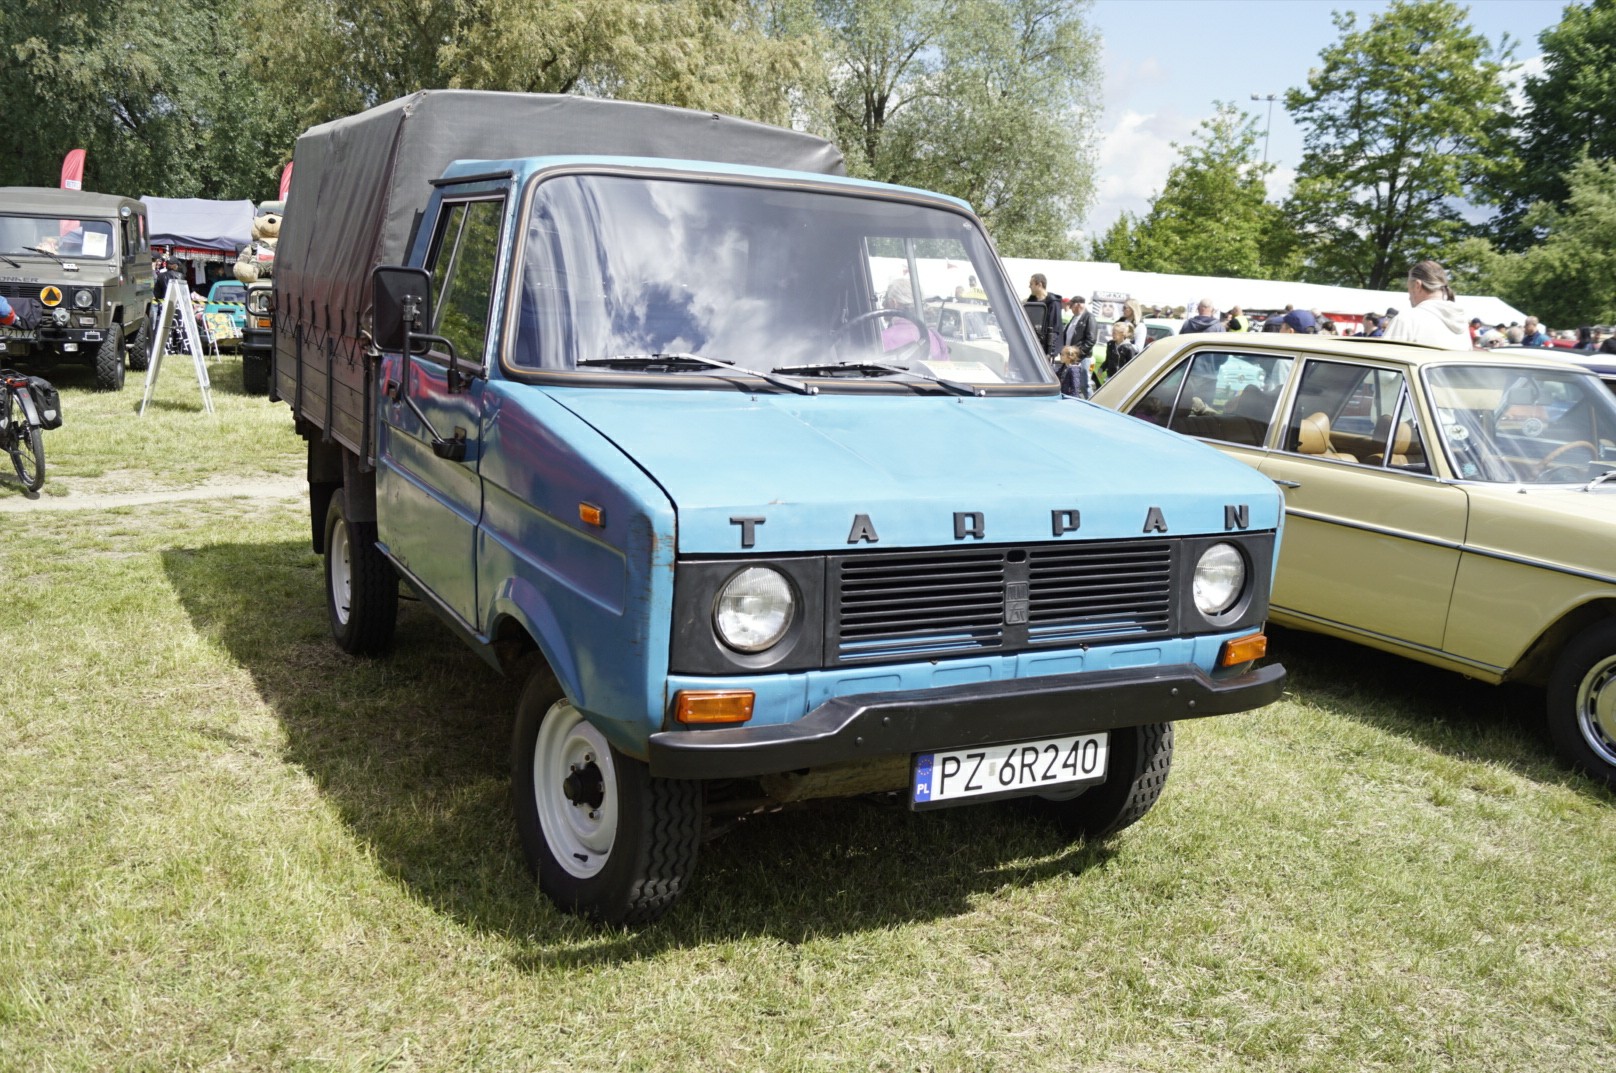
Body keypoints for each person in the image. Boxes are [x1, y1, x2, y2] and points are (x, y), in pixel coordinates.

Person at [1382, 261, 1470, 350]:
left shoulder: (1406, 320)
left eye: (1408, 289)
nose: (1409, 297)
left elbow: (1383, 359)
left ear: (1417, 285)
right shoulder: (1462, 324)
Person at [1061, 295, 1097, 398]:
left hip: (1082, 358)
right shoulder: (1075, 317)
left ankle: (1091, 403)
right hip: (1072, 357)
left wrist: (1077, 354)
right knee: (1073, 384)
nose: (1070, 308)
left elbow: (1091, 340)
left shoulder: (1089, 317)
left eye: (1071, 306)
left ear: (1078, 305)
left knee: (1084, 385)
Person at [1025, 274, 1061, 357]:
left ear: (1039, 284)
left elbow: (1055, 329)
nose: (1029, 286)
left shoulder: (1053, 303)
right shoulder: (1031, 301)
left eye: (1031, 284)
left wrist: (1049, 351)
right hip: (1030, 346)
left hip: (1044, 350)